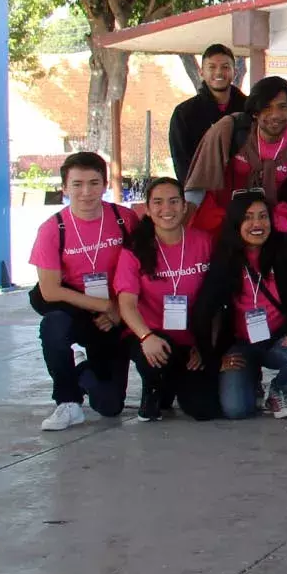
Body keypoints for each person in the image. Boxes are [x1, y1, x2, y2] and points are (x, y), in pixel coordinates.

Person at [188, 190, 287, 420]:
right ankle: (250, 379)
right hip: (241, 344)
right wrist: (212, 357)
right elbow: (204, 308)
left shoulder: (286, 245)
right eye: (248, 217)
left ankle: (280, 390)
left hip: (279, 339)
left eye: (263, 216)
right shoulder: (226, 254)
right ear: (236, 221)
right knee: (236, 410)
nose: (257, 224)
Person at [31, 152, 142, 430]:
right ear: (64, 188)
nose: (86, 192)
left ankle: (80, 367)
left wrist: (118, 308)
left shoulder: (123, 219)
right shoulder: (52, 229)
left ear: (105, 184)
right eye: (77, 184)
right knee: (53, 327)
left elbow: (143, 271)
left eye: (94, 183)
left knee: (110, 406)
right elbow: (50, 291)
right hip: (76, 307)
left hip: (114, 311)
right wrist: (105, 306)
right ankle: (67, 401)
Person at [113, 177, 215, 421]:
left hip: (192, 340)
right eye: (157, 202)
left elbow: (217, 300)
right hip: (152, 337)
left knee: (203, 410)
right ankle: (154, 387)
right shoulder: (135, 249)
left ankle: (168, 386)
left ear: (184, 206)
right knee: (155, 355)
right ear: (147, 209)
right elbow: (126, 304)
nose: (166, 209)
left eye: (173, 201)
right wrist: (146, 336)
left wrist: (206, 345)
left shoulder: (204, 242)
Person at [183, 76, 287, 239]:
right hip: (224, 218)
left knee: (281, 225)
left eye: (282, 107)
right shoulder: (230, 128)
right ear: (255, 112)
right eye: (266, 107)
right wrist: (183, 231)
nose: (275, 115)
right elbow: (198, 184)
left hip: (266, 223)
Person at [168, 43, 247, 181]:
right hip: (201, 191)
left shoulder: (248, 109)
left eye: (225, 67)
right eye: (212, 67)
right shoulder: (185, 113)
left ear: (235, 72)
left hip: (242, 190)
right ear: (202, 72)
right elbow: (181, 161)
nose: (219, 72)